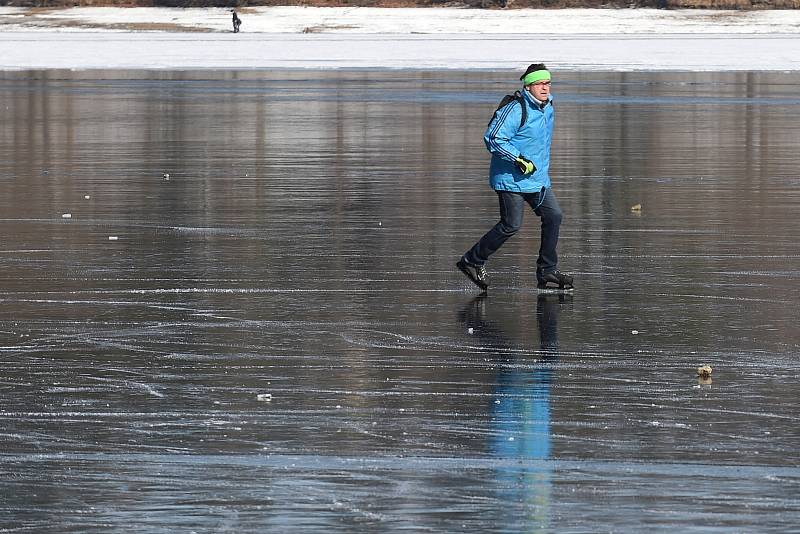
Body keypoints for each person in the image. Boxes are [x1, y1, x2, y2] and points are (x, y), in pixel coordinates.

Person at [457, 63, 573, 291]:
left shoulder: (548, 106)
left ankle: (547, 271)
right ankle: (472, 260)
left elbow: (540, 145)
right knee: (511, 224)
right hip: (510, 178)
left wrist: (538, 169)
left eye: (547, 83)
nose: (545, 87)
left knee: (554, 216)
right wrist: (518, 159)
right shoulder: (515, 108)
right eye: (539, 83)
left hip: (536, 179)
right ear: (528, 86)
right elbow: (493, 138)